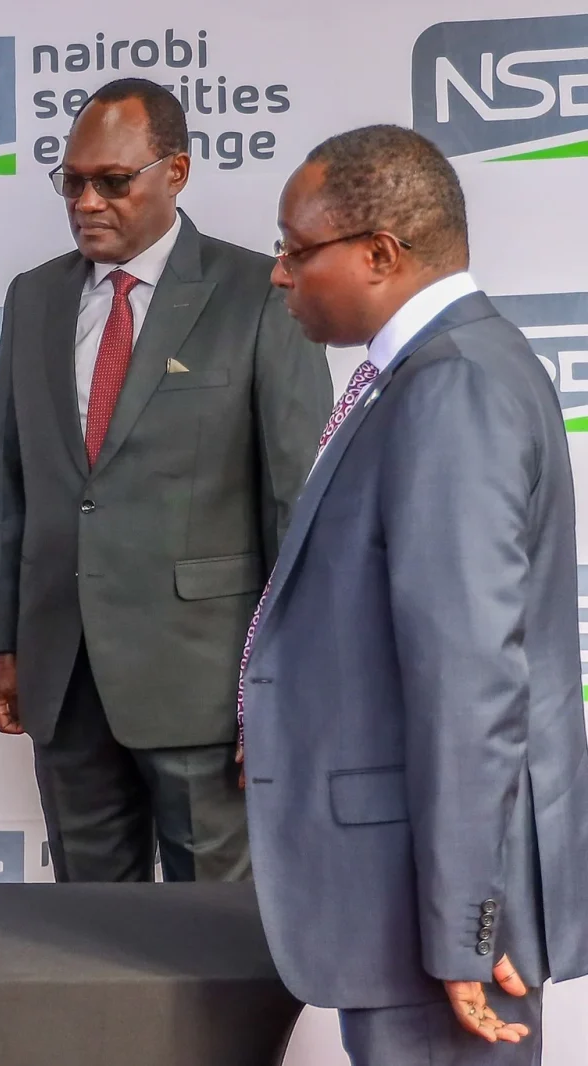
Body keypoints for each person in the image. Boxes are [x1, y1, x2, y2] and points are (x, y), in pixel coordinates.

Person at [245, 124, 588, 1064]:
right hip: (423, 891)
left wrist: (465, 927)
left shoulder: (454, 387)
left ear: (380, 254)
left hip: (441, 913)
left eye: (297, 249)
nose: (279, 272)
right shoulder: (434, 370)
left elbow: (471, 678)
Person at [0, 77, 331, 883]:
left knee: (213, 925)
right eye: (72, 182)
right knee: (89, 925)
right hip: (64, 678)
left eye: (113, 181)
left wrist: (282, 684)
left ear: (176, 172)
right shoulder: (34, 298)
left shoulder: (261, 295)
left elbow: (296, 505)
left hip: (206, 684)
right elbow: (8, 484)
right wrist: (9, 643)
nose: (87, 203)